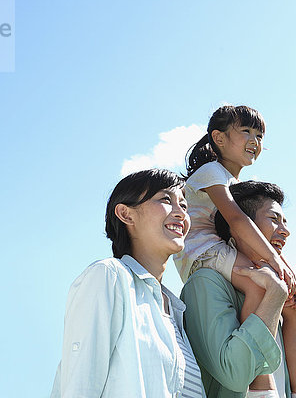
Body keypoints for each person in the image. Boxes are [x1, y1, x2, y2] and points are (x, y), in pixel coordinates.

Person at [173, 105, 296, 396]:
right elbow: (237, 220)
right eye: (245, 131)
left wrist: (285, 268)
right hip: (201, 251)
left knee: (276, 286)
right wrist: (274, 261)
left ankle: (292, 384)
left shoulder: (232, 182)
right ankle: (260, 382)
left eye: (259, 135)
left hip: (219, 248)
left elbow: (248, 234)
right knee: (263, 287)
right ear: (219, 138)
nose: (254, 141)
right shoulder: (212, 173)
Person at [50, 169, 206, 398]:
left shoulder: (177, 310)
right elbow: (80, 385)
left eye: (184, 205)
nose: (181, 213)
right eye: (166, 199)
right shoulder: (109, 277)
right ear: (126, 214)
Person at [181, 181, 296, 398]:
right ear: (241, 226)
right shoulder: (206, 283)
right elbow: (235, 374)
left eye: (284, 222)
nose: (285, 231)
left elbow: (292, 378)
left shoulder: (278, 295)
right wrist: (275, 293)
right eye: (274, 219)